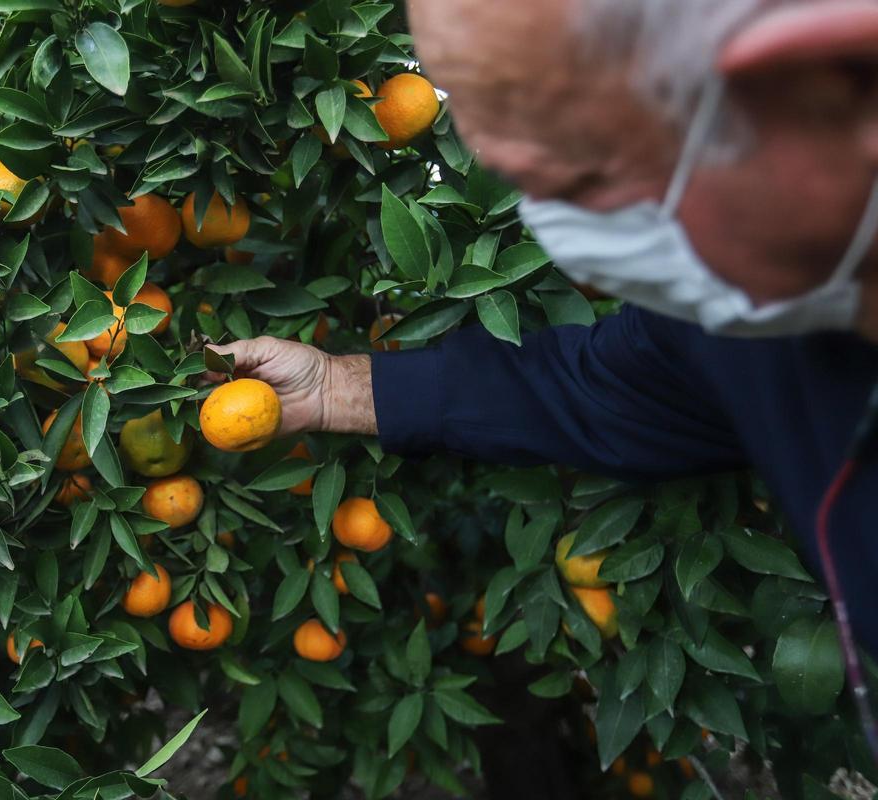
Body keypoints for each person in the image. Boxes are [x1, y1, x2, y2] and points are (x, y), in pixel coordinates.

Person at [211, 0, 878, 666]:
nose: (580, 246)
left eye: (586, 176)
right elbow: (600, 391)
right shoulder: (754, 316)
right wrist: (333, 388)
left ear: (830, 71)